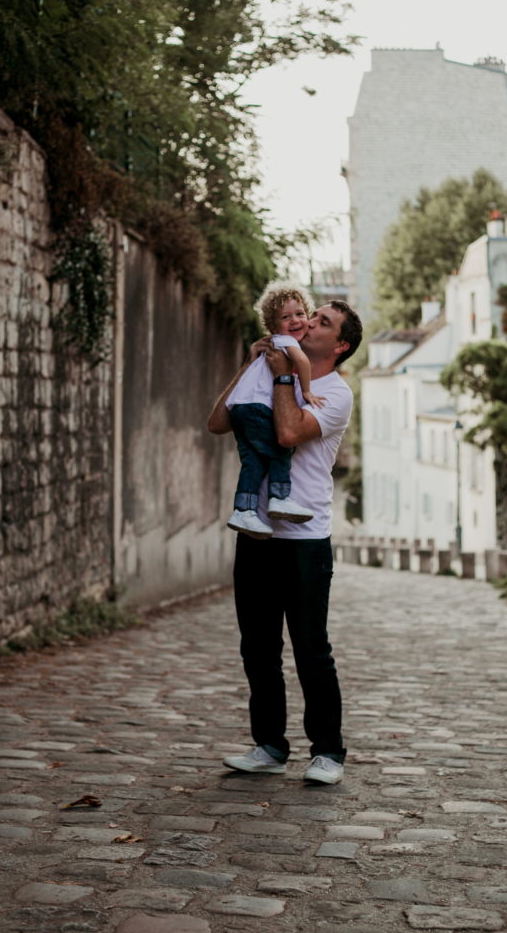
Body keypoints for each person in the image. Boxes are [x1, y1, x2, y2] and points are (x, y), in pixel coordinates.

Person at [207, 298, 363, 785]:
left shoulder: (335, 393)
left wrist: (280, 378)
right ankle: (269, 746)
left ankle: (328, 752)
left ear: (339, 345)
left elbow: (288, 432)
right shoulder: (271, 367)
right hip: (256, 531)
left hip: (305, 538)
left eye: (322, 322)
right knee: (257, 648)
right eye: (310, 316)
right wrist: (250, 364)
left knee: (311, 649)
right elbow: (218, 422)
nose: (308, 323)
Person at [225, 279, 325, 540]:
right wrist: (306, 391)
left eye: (300, 314)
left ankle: (244, 510)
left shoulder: (270, 347)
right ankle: (279, 497)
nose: (295, 320)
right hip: (257, 408)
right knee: (281, 449)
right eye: (285, 317)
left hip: (239, 409)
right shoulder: (284, 343)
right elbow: (302, 361)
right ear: (272, 325)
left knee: (253, 463)